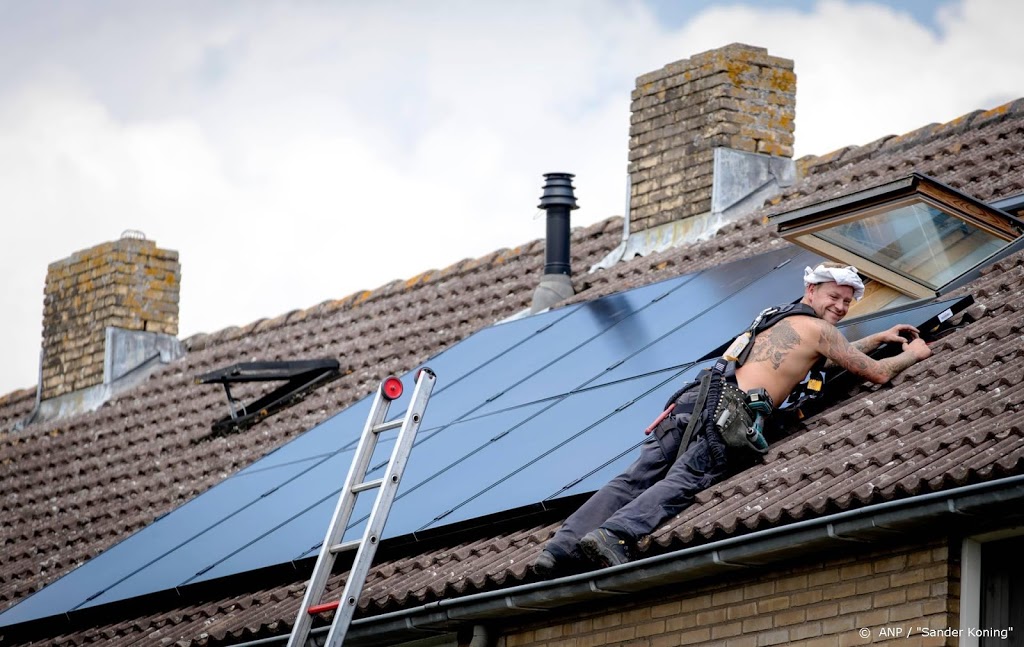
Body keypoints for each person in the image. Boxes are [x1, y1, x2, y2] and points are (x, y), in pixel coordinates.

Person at [533, 262, 934, 576]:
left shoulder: (778, 318)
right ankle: (614, 535)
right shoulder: (819, 329)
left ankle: (559, 549)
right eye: (834, 297)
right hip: (728, 414)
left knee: (633, 478)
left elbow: (819, 357)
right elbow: (874, 372)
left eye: (848, 302)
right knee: (685, 480)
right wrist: (910, 355)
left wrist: (878, 338)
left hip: (693, 401)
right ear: (811, 290)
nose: (841, 307)